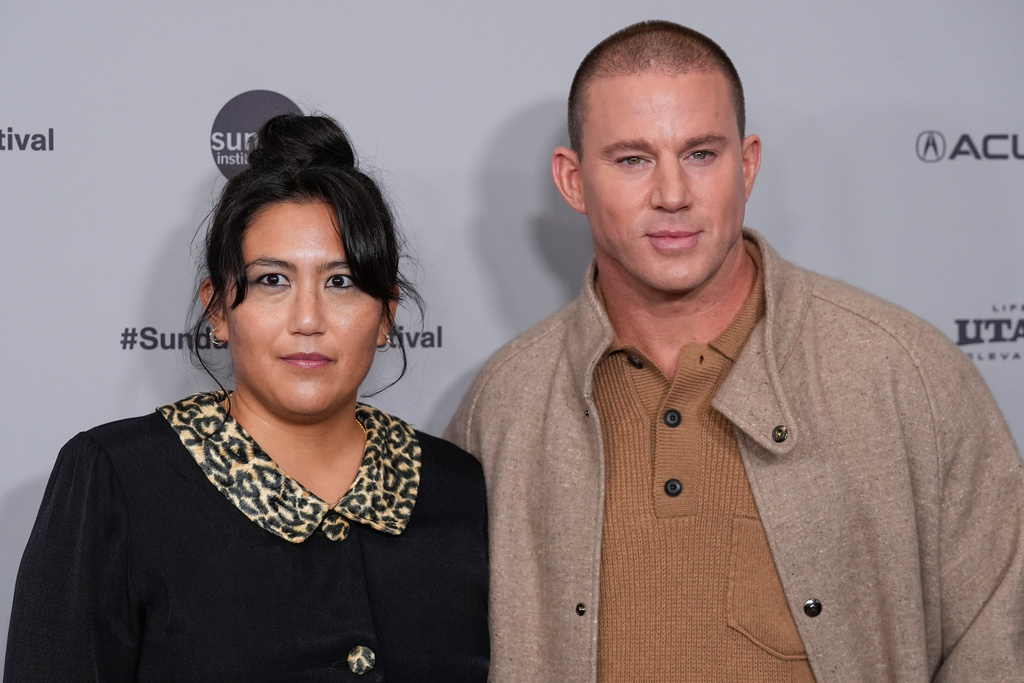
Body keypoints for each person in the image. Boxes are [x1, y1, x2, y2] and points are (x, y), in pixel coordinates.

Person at [445, 20, 1024, 682]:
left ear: (746, 165)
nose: (671, 194)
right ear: (574, 181)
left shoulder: (905, 374)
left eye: (701, 154)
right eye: (632, 159)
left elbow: (999, 639)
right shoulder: (505, 406)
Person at [6, 114, 489, 681]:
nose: (308, 320)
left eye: (341, 282)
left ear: (386, 314)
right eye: (271, 280)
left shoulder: (456, 486)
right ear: (218, 309)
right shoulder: (119, 479)